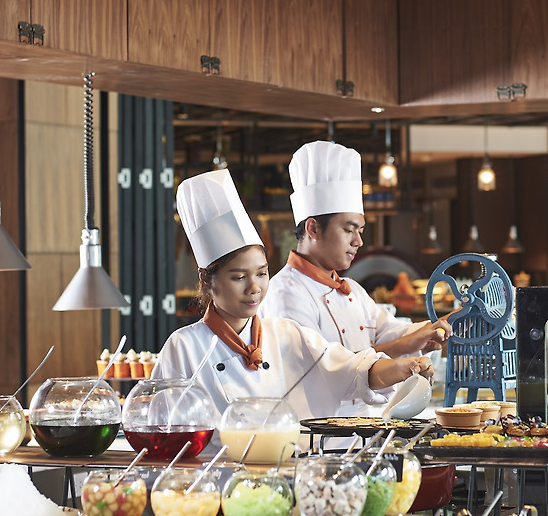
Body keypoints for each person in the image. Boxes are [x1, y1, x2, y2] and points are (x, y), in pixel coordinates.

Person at [155, 168, 431, 424]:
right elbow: (160, 425)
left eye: (262, 273)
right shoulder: (183, 347)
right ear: (207, 279)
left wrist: (402, 368)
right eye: (239, 277)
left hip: (283, 460)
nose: (254, 287)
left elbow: (350, 370)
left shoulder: (286, 334)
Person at [261, 141, 450, 364]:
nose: (358, 241)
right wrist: (405, 344)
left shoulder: (354, 291)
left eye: (360, 231)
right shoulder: (285, 294)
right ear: (313, 229)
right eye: (348, 230)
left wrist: (444, 326)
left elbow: (394, 332)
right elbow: (320, 369)